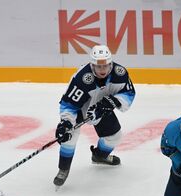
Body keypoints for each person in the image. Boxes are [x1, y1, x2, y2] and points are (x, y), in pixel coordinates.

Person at [53, 44, 136, 188]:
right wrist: (66, 123)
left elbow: (129, 93)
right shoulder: (81, 79)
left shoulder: (120, 73)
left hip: (102, 107)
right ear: (92, 66)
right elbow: (69, 104)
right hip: (80, 108)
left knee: (115, 137)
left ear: (111, 64)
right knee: (69, 137)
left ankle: (99, 155)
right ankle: (63, 168)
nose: (103, 70)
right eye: (99, 67)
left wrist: (113, 102)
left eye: (106, 66)